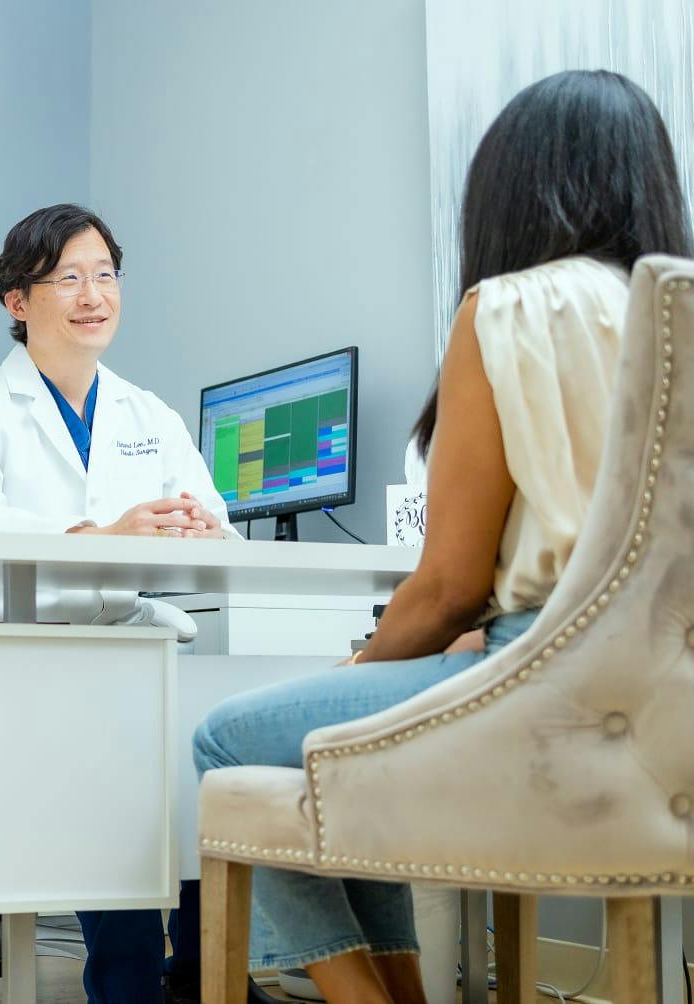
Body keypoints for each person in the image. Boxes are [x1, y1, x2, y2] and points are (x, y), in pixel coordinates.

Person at [193, 69, 692, 1004]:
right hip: (669, 702)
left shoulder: (511, 309)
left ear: (515, 189)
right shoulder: (675, 316)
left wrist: (358, 672)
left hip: (545, 681)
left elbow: (448, 588)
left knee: (236, 741)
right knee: (358, 737)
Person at [0, 203, 240, 1003]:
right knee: (121, 777)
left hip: (126, 645)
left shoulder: (148, 413)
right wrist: (102, 531)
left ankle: (206, 975)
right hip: (19, 649)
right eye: (68, 277)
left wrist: (197, 529)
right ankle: (129, 983)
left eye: (105, 274)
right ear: (18, 301)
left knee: (218, 760)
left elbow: (217, 525)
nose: (93, 294)